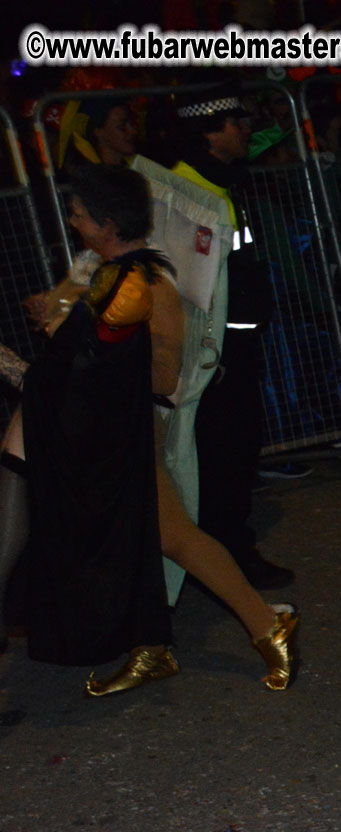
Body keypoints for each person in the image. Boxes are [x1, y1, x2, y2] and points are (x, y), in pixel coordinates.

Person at [0, 165, 296, 695]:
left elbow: (163, 375)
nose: (71, 221)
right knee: (128, 537)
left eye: (79, 214)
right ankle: (150, 647)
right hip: (84, 425)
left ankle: (266, 624)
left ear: (108, 223)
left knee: (171, 535)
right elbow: (71, 330)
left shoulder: (150, 282)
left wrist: (101, 345)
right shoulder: (96, 267)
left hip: (129, 429)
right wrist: (57, 316)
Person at [169, 81, 295, 589]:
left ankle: (218, 550)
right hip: (214, 352)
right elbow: (186, 285)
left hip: (232, 344)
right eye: (235, 124)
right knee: (225, 454)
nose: (246, 133)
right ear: (208, 131)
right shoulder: (189, 191)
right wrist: (206, 350)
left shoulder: (218, 179)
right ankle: (229, 556)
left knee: (232, 451)